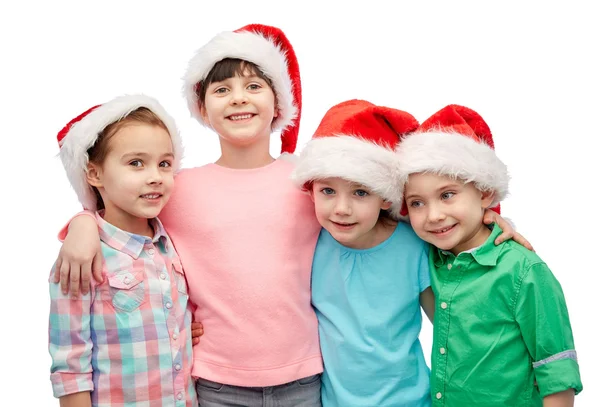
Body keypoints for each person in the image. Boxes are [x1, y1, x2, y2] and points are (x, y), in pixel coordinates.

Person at [52, 25, 323, 407]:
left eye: (254, 86)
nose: (237, 99)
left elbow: (360, 213)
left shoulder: (307, 182)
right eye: (222, 90)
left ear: (279, 102)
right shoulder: (177, 189)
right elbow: (119, 212)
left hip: (304, 377)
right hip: (214, 383)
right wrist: (81, 224)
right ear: (202, 108)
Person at [396, 104, 583, 406]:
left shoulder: (523, 271)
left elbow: (556, 369)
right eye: (417, 203)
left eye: (447, 195)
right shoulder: (428, 256)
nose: (433, 215)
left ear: (485, 192)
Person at [49, 95, 198, 406]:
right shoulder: (82, 257)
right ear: (94, 174)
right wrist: (82, 223)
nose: (156, 175)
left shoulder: (170, 242)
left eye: (165, 163)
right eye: (136, 163)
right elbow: (71, 361)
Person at [291, 99, 435, 407]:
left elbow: (449, 327)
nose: (342, 209)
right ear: (310, 190)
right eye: (327, 191)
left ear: (386, 197)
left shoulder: (413, 246)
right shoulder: (311, 240)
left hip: (411, 401)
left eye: (360, 192)